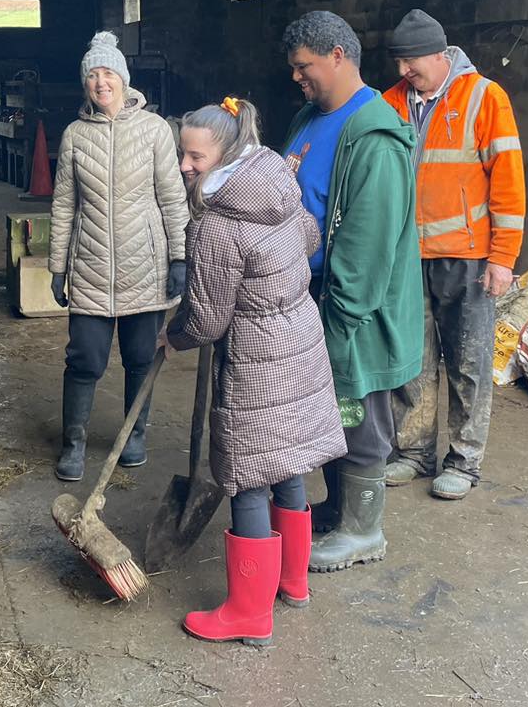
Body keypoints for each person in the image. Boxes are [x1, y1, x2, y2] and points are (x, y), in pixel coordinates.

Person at [165, 97, 346, 645]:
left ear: (224, 152)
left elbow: (209, 321)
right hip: (300, 335)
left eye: (194, 156)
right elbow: (310, 240)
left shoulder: (217, 225)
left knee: (246, 474)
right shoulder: (275, 182)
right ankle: (293, 582)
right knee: (288, 461)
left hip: (259, 352)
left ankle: (249, 613)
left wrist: (174, 334)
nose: (184, 166)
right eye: (182, 154)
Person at [280, 11, 423, 572]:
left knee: (358, 409)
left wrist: (340, 320)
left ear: (338, 55)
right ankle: (340, 507)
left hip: (357, 310)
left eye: (303, 66)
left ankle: (365, 529)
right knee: (330, 412)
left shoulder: (375, 135)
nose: (297, 77)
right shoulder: (308, 118)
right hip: (309, 293)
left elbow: (366, 248)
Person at [382, 9, 526, 500]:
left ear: (442, 55)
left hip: (468, 256)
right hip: (407, 257)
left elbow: (508, 182)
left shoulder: (485, 97)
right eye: (399, 63)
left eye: (412, 62)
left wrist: (503, 258)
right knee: (414, 361)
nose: (404, 72)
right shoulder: (390, 102)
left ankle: (464, 462)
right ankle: (414, 453)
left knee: (468, 363)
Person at [48, 32, 188, 481]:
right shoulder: (74, 135)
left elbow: (172, 196)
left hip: (144, 266)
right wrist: (56, 266)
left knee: (141, 358)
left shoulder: (155, 131)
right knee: (84, 360)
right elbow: (64, 204)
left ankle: (135, 434)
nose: (101, 82)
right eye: (93, 75)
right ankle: (73, 443)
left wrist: (179, 256)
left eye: (108, 73)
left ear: (125, 80)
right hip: (89, 266)